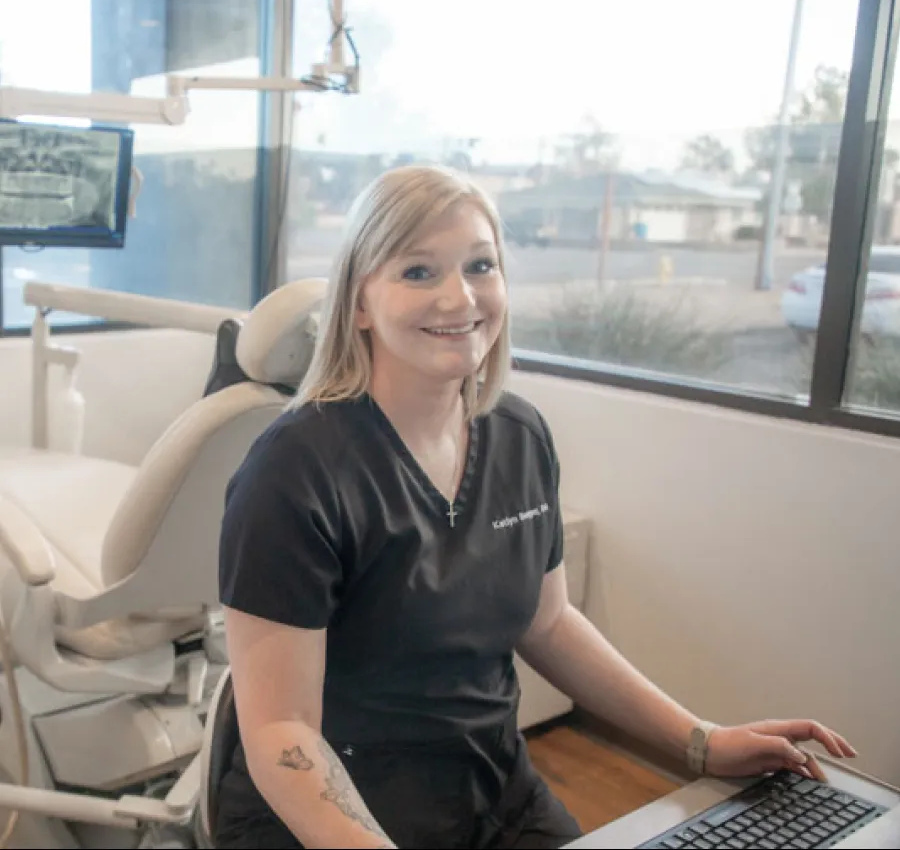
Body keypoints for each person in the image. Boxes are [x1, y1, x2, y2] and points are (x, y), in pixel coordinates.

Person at [215, 165, 857, 850]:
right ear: (361, 303)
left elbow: (547, 622)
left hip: (490, 790)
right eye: (418, 272)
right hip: (330, 812)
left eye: (480, 265)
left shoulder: (516, 435)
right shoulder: (295, 471)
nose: (459, 297)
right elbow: (282, 730)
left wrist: (701, 742)